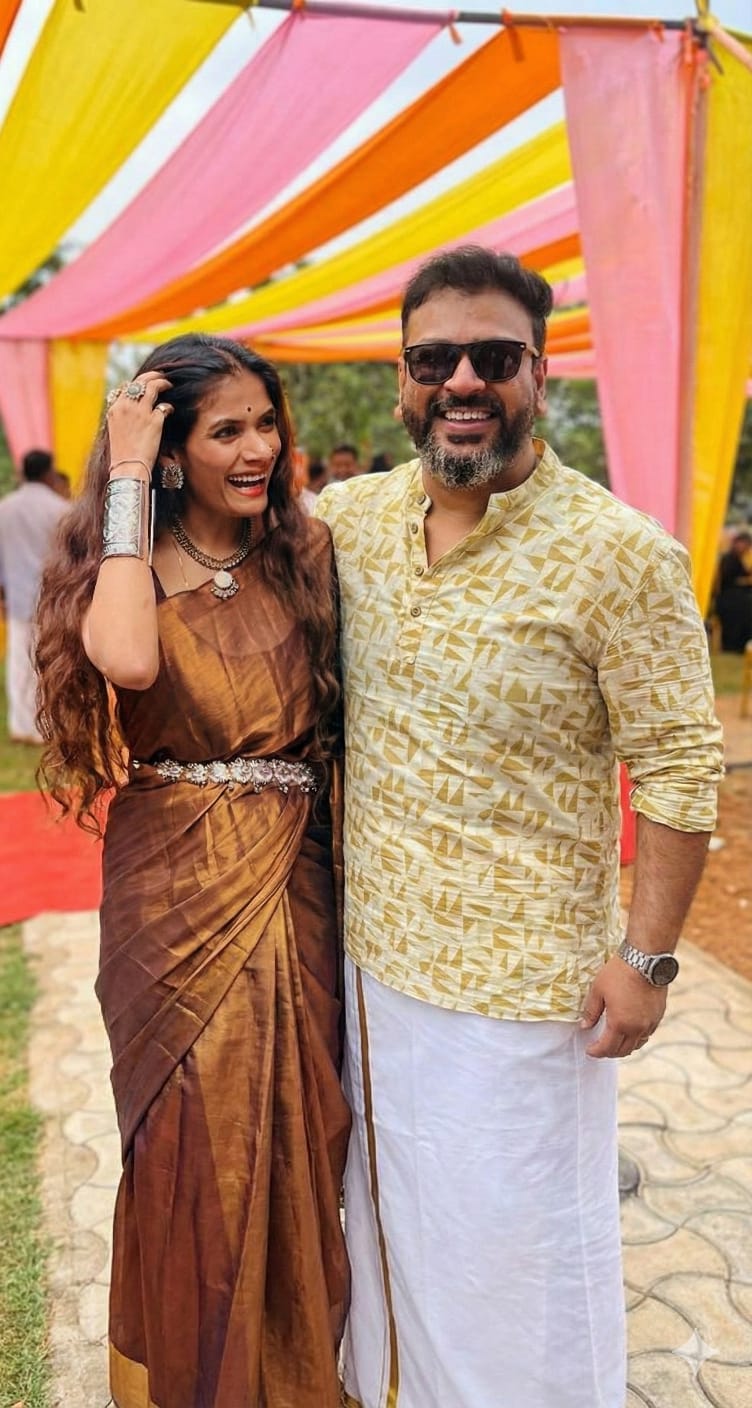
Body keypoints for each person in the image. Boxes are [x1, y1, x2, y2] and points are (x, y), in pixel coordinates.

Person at [315, 246, 723, 1408]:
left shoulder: (617, 554)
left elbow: (683, 768)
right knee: (393, 1249)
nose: (459, 382)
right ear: (399, 378)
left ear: (539, 376)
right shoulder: (348, 521)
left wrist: (642, 962)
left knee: (519, 1277)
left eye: (491, 358)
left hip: (523, 1001)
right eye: (431, 357)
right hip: (370, 971)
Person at [34, 334, 350, 1408]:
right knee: (187, 1144)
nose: (258, 447)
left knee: (302, 1130)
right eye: (227, 430)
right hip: (171, 892)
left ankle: (295, 1373)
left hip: (292, 882)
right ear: (173, 450)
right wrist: (125, 480)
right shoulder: (130, 565)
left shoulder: (299, 557)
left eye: (268, 424)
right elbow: (125, 660)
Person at [0, 447, 68, 743]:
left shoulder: (5, 507)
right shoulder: (60, 509)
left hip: (16, 595)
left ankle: (20, 725)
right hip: (53, 598)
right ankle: (46, 726)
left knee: (19, 661)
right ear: (47, 472)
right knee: (51, 663)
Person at [715, 529, 752, 652]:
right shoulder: (728, 559)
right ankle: (733, 645)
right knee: (744, 605)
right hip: (728, 597)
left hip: (741, 595)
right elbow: (728, 580)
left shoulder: (744, 559)